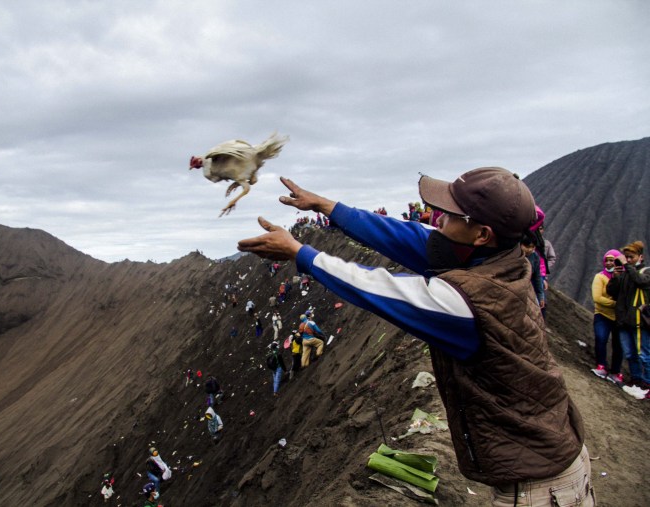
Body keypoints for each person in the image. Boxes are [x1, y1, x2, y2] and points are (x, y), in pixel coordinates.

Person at [238, 170, 592, 506]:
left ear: (482, 234)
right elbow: (404, 236)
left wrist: (301, 254)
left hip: (539, 486)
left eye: (452, 215)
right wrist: (327, 207)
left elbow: (379, 289)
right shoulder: (498, 258)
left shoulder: (469, 302)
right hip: (547, 456)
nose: (437, 219)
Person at [607, 241, 650, 392]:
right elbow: (611, 291)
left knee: (644, 355)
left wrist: (628, 267)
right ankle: (636, 379)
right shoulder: (625, 273)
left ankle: (647, 383)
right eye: (626, 257)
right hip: (624, 321)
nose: (628, 260)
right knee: (630, 353)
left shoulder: (646, 271)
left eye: (631, 257)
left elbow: (640, 281)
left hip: (639, 321)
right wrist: (616, 276)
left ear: (641, 257)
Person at [591, 249, 624, 383]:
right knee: (601, 338)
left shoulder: (623, 278)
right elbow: (597, 298)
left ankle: (616, 372)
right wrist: (617, 304)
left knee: (618, 345)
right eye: (607, 260)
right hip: (602, 314)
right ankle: (601, 365)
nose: (609, 263)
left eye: (613, 260)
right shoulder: (600, 277)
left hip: (619, 317)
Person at [521, 236, 545, 311]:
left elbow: (537, 277)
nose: (530, 250)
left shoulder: (534, 257)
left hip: (526, 289)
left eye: (532, 247)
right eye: (527, 246)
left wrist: (540, 296)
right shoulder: (513, 255)